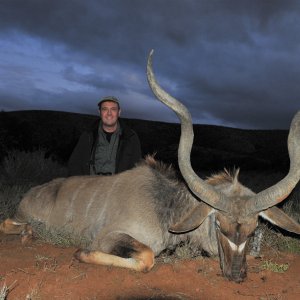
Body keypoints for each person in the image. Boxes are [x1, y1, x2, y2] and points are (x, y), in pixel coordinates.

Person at [68, 96, 142, 176]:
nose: (109, 113)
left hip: (119, 186)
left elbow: (137, 169)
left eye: (113, 109)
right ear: (99, 112)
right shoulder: (88, 136)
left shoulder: (131, 137)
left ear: (119, 112)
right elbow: (74, 165)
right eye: (105, 109)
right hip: (91, 184)